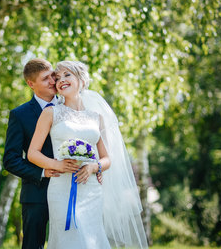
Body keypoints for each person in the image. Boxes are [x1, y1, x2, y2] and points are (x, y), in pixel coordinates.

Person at [28, 61, 148, 249]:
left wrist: (95, 166)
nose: (61, 80)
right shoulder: (50, 113)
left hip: (91, 189)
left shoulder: (96, 116)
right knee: (69, 239)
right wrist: (57, 165)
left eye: (67, 75)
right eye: (57, 78)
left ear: (81, 79)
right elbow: (32, 153)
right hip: (62, 188)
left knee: (91, 239)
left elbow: (107, 158)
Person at [3, 59, 62, 249]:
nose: (53, 81)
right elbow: (10, 160)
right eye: (46, 79)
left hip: (70, 189)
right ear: (31, 84)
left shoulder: (69, 107)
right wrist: (43, 172)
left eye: (53, 75)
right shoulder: (20, 115)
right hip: (36, 194)